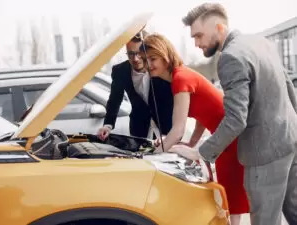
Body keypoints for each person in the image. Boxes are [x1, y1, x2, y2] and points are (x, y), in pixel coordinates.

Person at [176, 3, 297, 225]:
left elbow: (235, 119)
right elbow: (288, 86)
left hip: (264, 155)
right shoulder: (260, 42)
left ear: (219, 27)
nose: (196, 43)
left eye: (199, 35)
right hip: (290, 140)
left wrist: (201, 153)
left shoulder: (230, 57)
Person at [140, 33, 249, 225]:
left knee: (232, 199)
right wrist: (191, 143)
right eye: (145, 60)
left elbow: (178, 129)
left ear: (165, 55)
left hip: (230, 139)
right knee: (232, 200)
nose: (149, 65)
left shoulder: (180, 78)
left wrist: (155, 154)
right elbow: (202, 115)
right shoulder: (181, 75)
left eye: (153, 58)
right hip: (226, 139)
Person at [97, 30, 173, 140]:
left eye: (139, 53)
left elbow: (173, 100)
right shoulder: (120, 71)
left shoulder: (162, 68)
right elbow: (114, 99)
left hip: (167, 130)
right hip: (138, 129)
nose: (135, 59)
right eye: (131, 54)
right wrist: (107, 126)